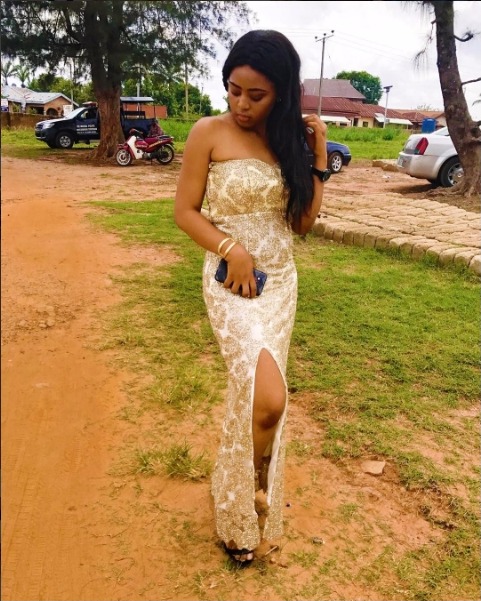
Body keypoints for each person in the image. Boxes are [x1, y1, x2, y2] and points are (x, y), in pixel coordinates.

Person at [174, 29, 329, 566]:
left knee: (260, 400)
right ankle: (246, 499)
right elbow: (184, 212)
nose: (241, 103)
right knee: (267, 398)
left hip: (279, 282)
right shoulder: (207, 132)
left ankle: (245, 497)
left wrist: (318, 156)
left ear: (281, 94)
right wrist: (229, 248)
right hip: (231, 282)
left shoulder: (289, 142)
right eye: (233, 89)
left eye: (256, 95)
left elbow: (301, 225)